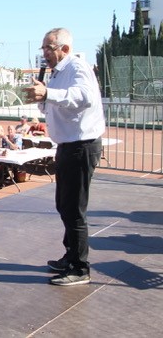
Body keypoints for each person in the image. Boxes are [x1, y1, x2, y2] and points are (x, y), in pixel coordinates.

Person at [23, 27, 105, 286]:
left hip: (82, 146)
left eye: (49, 48)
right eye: (43, 48)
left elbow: (85, 98)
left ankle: (80, 269)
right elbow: (51, 105)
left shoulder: (77, 68)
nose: (45, 53)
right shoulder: (57, 73)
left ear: (65, 49)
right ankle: (70, 257)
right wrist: (41, 96)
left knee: (74, 209)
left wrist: (48, 93)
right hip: (68, 146)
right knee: (64, 206)